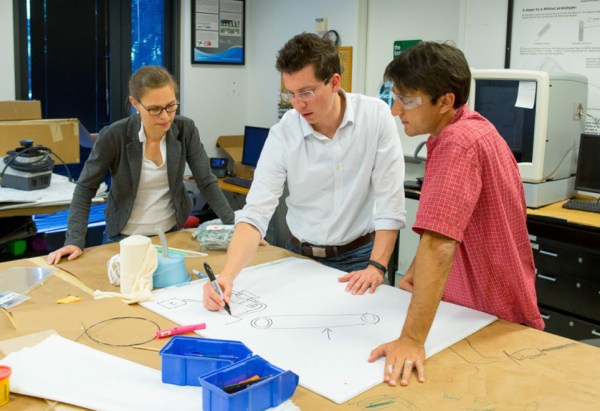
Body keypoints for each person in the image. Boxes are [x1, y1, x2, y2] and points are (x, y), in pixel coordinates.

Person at [368, 41, 544, 387]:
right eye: (395, 97)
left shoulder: (456, 144)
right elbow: (452, 222)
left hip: (485, 317)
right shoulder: (477, 128)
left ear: (445, 101)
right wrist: (417, 271)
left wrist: (412, 339)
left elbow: (438, 244)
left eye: (407, 100)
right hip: (485, 306)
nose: (396, 110)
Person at [203, 32, 406, 311]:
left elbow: (389, 203)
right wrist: (226, 277)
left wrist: (377, 265)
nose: (298, 105)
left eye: (307, 93)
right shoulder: (283, 133)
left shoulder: (375, 117)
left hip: (360, 258)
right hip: (300, 255)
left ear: (334, 82)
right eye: (291, 94)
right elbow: (255, 214)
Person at [47, 65, 235, 264]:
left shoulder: (185, 129)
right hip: (122, 239)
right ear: (135, 103)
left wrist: (235, 227)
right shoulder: (114, 135)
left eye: (171, 106)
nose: (165, 116)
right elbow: (85, 188)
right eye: (154, 109)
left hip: (169, 236)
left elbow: (206, 181)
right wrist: (74, 240)